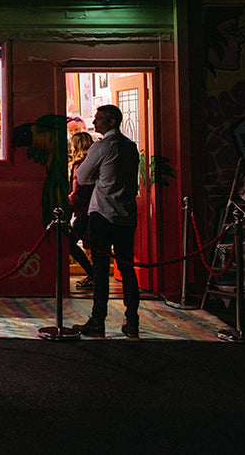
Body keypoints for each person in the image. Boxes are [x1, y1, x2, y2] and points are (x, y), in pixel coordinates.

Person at [72, 104, 141, 338]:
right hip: (127, 215)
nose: (94, 122)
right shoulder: (131, 148)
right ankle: (132, 320)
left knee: (101, 269)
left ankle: (97, 320)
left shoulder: (102, 146)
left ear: (112, 121)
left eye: (99, 118)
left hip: (102, 214)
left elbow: (82, 176)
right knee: (127, 268)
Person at [66, 132, 95, 288]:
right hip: (93, 209)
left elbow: (78, 191)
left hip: (83, 211)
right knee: (91, 245)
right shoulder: (92, 164)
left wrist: (69, 203)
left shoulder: (79, 166)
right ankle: (94, 276)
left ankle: (92, 274)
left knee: (70, 244)